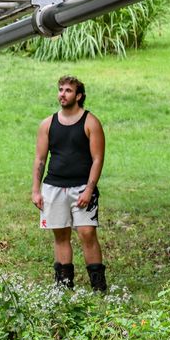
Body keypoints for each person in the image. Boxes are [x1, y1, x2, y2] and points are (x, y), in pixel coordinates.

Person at [32, 76, 107, 293]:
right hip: (54, 187)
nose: (62, 94)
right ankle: (63, 288)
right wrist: (36, 190)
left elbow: (98, 159)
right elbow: (40, 159)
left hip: (82, 187)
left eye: (68, 91)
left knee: (87, 233)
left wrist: (89, 190)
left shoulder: (91, 122)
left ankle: (99, 288)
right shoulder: (47, 124)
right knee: (61, 236)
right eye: (60, 90)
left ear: (79, 96)